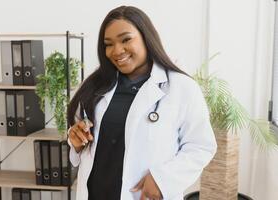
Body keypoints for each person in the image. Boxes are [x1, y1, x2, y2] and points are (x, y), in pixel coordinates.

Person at [67, 5, 217, 200]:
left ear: (146, 38)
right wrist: (76, 141)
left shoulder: (181, 88)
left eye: (126, 39)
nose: (117, 50)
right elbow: (79, 138)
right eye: (108, 44)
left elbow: (200, 146)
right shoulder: (96, 87)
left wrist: (163, 179)